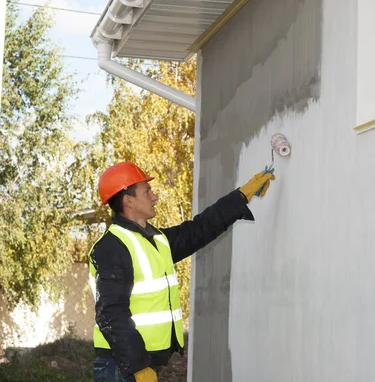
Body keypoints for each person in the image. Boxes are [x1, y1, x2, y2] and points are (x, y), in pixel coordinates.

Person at [89, 161, 275, 382]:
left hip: (136, 364)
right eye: (147, 191)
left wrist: (242, 195)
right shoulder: (112, 247)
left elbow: (200, 228)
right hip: (122, 367)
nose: (155, 196)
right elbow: (110, 313)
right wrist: (137, 366)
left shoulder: (156, 240)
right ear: (128, 200)